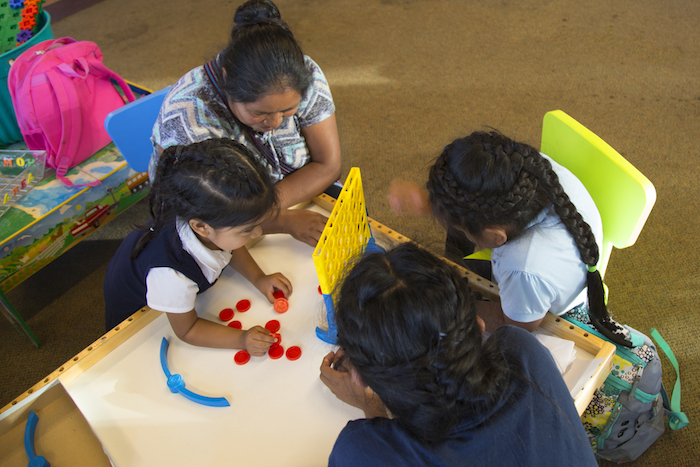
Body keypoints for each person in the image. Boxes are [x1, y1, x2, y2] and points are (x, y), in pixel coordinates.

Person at [319, 242, 597, 466]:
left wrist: (373, 408)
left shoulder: (358, 452)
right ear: (478, 325)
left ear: (357, 376)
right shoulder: (521, 350)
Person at [388, 130, 632, 347]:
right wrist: (432, 202)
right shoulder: (525, 168)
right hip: (556, 267)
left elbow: (516, 326)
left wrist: (447, 307)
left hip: (550, 314)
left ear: (495, 237)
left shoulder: (523, 269)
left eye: (462, 229)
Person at [151, 0, 341, 247]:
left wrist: (265, 212)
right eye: (258, 112)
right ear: (227, 79)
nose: (273, 122)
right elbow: (209, 218)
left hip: (262, 209)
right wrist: (281, 220)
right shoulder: (190, 117)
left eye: (287, 110)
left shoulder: (304, 73)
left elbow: (328, 164)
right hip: (216, 224)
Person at [104, 138, 290, 355]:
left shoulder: (211, 219)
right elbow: (188, 330)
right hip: (139, 320)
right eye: (247, 230)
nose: (258, 233)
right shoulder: (171, 276)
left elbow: (227, 246)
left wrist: (259, 277)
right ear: (201, 227)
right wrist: (241, 338)